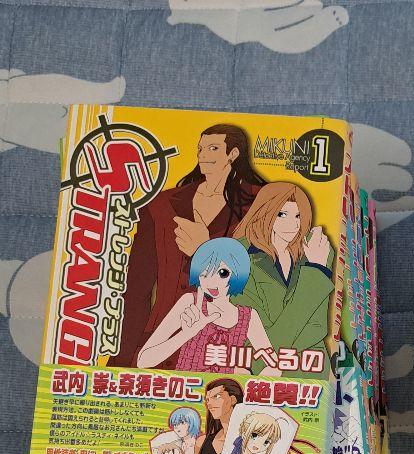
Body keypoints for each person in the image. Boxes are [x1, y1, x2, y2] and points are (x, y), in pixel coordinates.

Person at [116, 123, 266, 365]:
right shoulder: (161, 205)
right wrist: (121, 360)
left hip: (225, 347)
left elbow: (269, 281)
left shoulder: (262, 204)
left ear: (233, 153)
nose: (203, 155)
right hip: (160, 341)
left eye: (213, 148)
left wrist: (205, 251)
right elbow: (136, 289)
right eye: (200, 149)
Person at [233, 181, 335, 366]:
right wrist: (316, 273)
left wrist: (317, 268)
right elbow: (257, 343)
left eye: (298, 216)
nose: (293, 224)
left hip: (311, 365)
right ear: (264, 212)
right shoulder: (239, 257)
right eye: (282, 214)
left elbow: (318, 327)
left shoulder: (315, 252)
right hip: (260, 370)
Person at [135, 237, 274, 372]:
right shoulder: (190, 303)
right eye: (205, 273)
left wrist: (246, 382)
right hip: (188, 386)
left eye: (222, 273)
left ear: (238, 274)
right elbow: (143, 361)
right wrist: (186, 334)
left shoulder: (247, 317)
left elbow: (274, 366)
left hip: (225, 388)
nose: (212, 281)